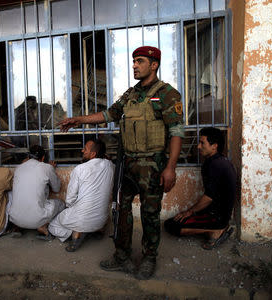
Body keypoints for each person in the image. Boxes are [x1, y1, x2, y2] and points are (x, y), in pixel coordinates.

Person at [58, 46, 184, 280]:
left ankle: (149, 258)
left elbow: (176, 132)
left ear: (154, 65)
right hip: (127, 165)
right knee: (121, 210)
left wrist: (171, 167)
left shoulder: (167, 94)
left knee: (149, 214)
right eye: (134, 61)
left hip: (153, 165)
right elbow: (108, 115)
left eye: (140, 61)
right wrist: (79, 120)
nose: (134, 65)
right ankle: (121, 255)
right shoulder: (131, 94)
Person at [164, 127, 236, 250]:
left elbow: (209, 197)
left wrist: (189, 212)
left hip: (217, 217)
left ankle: (216, 231)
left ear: (214, 146)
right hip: (217, 213)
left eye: (202, 143)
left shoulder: (215, 165)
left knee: (171, 225)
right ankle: (215, 228)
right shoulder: (218, 160)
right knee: (176, 220)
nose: (198, 147)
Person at [48, 139, 114, 252]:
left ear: (93, 154)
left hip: (81, 218)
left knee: (53, 226)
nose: (82, 150)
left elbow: (70, 200)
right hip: (101, 220)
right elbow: (106, 160)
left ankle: (78, 233)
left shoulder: (80, 169)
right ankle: (91, 230)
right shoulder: (110, 166)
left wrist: (72, 208)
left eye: (85, 149)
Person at [8, 145, 64, 239]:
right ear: (42, 158)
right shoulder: (47, 167)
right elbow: (56, 189)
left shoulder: (19, 168)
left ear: (28, 157)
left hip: (15, 218)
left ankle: (18, 227)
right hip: (37, 219)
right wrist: (52, 169)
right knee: (61, 204)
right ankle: (43, 226)